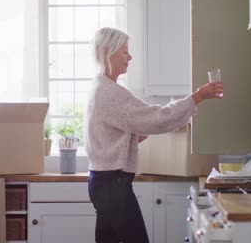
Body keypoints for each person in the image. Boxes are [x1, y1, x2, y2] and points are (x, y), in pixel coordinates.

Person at [84, 27, 223, 243]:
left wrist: (135, 134)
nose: (129, 57)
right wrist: (198, 96)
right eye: (124, 51)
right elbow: (158, 117)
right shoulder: (111, 92)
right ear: (107, 51)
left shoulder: (99, 86)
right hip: (113, 185)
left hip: (100, 182)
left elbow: (110, 132)